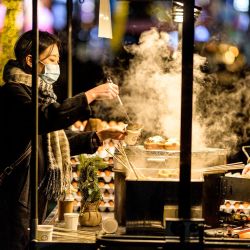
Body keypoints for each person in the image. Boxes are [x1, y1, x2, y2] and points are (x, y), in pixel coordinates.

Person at [0, 30, 126, 250]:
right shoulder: (13, 93)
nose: (55, 66)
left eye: (57, 60)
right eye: (51, 60)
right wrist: (90, 95)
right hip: (13, 201)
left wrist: (99, 136)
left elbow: (54, 137)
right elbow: (46, 118)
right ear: (30, 60)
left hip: (31, 199)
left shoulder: (38, 93)